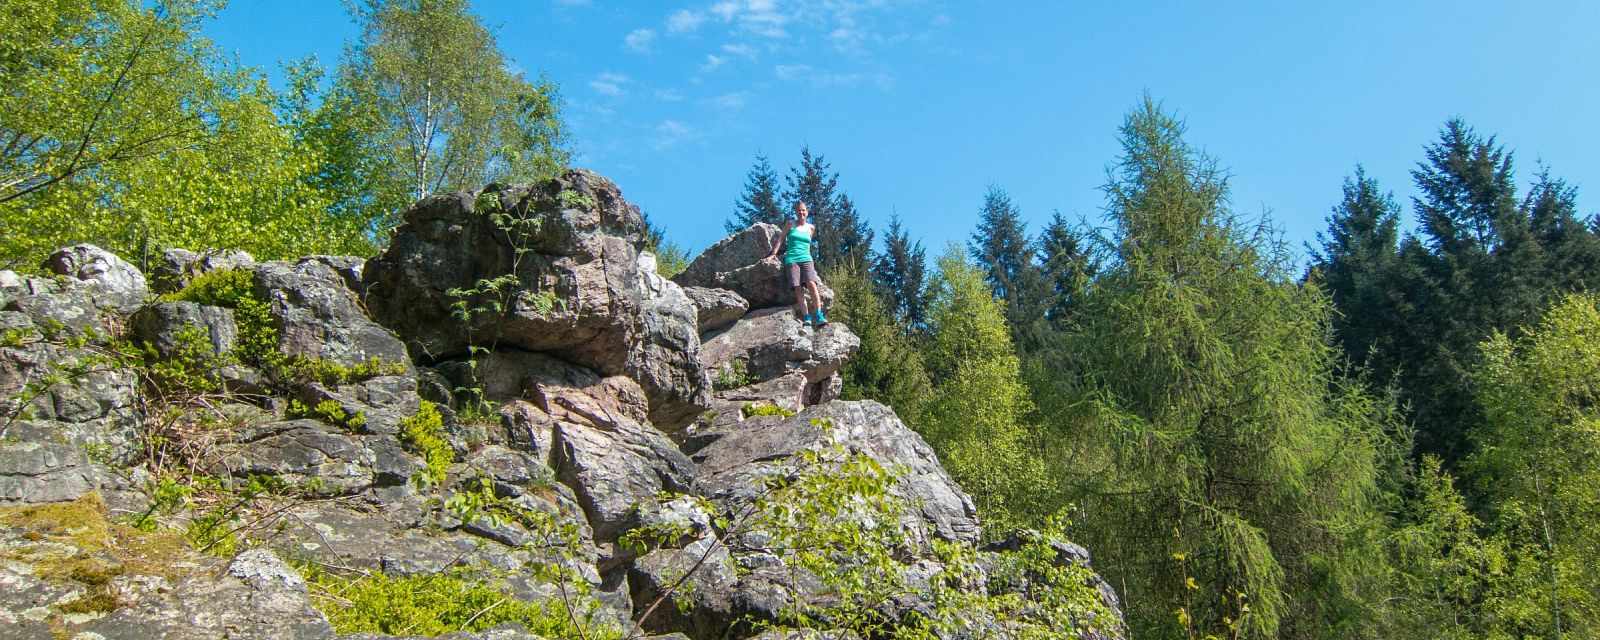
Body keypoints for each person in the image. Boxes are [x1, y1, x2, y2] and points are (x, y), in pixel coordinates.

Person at [769, 201, 827, 327]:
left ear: (807, 212)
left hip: (806, 258)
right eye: (799, 210)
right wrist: (773, 254)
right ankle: (806, 317)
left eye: (803, 210)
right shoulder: (790, 224)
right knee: (798, 287)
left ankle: (819, 314)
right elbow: (781, 239)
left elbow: (807, 243)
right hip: (792, 259)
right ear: (796, 212)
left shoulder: (811, 228)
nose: (801, 212)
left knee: (812, 284)